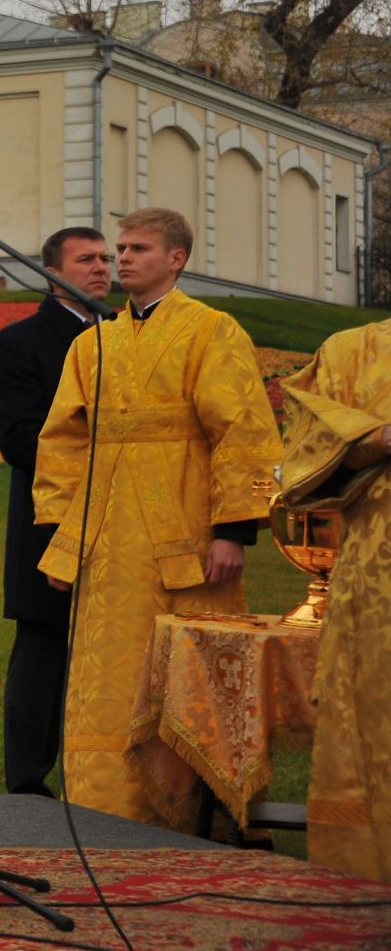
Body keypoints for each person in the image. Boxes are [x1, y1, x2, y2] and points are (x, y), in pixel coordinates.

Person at [31, 207, 281, 828]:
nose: (122, 259)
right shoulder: (92, 343)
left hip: (187, 539)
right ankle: (100, 813)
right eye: (118, 248)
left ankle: (201, 818)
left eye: (138, 248)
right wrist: (60, 540)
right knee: (106, 687)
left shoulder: (211, 330)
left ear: (176, 259)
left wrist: (232, 532)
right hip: (107, 545)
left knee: (189, 678)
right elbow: (61, 443)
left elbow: (243, 431)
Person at [0, 227, 111, 797]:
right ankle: (28, 782)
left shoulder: (130, 337)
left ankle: (108, 780)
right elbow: (18, 441)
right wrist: (112, 450)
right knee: (42, 648)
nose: (103, 268)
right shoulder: (19, 344)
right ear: (52, 273)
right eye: (86, 259)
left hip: (127, 520)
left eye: (107, 258)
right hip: (50, 521)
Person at [279, 325, 391, 881]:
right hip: (376, 566)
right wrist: (374, 438)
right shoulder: (351, 350)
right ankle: (363, 864)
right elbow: (304, 426)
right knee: (372, 700)